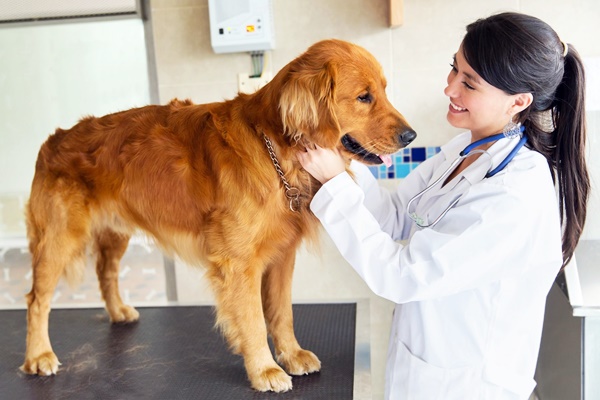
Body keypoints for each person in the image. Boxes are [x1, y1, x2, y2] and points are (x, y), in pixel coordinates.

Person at [297, 12, 589, 400]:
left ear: (518, 101)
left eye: (469, 83)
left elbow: (401, 276)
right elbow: (397, 217)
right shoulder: (466, 150)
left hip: (467, 386)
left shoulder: (515, 194)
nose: (449, 89)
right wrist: (344, 159)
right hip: (422, 371)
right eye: (454, 68)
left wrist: (335, 183)